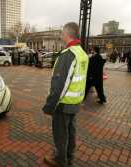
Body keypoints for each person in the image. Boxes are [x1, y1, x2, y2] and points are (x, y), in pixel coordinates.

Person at [42, 22, 89, 167]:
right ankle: (69, 158)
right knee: (71, 132)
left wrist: (49, 106)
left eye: (62, 33)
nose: (61, 35)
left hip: (63, 104)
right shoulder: (82, 54)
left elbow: (59, 85)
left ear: (67, 34)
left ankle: (60, 161)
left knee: (60, 135)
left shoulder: (68, 55)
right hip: (75, 103)